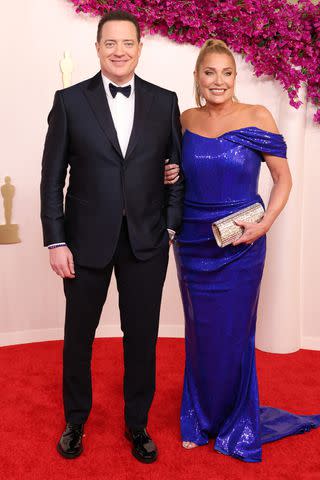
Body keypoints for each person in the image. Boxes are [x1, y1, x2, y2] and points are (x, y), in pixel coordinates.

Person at [165, 39, 320, 462]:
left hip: (242, 242)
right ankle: (199, 420)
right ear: (197, 77)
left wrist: (265, 223)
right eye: (209, 72)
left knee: (233, 333)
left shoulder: (258, 116)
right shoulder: (185, 120)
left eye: (226, 72)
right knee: (199, 333)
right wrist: (170, 172)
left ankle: (235, 420)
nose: (218, 81)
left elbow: (283, 179)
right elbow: (177, 178)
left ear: (235, 77)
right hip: (194, 242)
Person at [40, 10, 184, 463]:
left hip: (147, 240)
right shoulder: (69, 101)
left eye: (128, 43)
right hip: (83, 243)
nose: (119, 51)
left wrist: (171, 225)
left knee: (141, 336)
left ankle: (137, 424)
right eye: (110, 43)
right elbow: (51, 178)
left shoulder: (165, 101)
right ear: (97, 48)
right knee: (78, 336)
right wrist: (55, 240)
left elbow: (177, 173)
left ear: (140, 48)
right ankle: (75, 421)